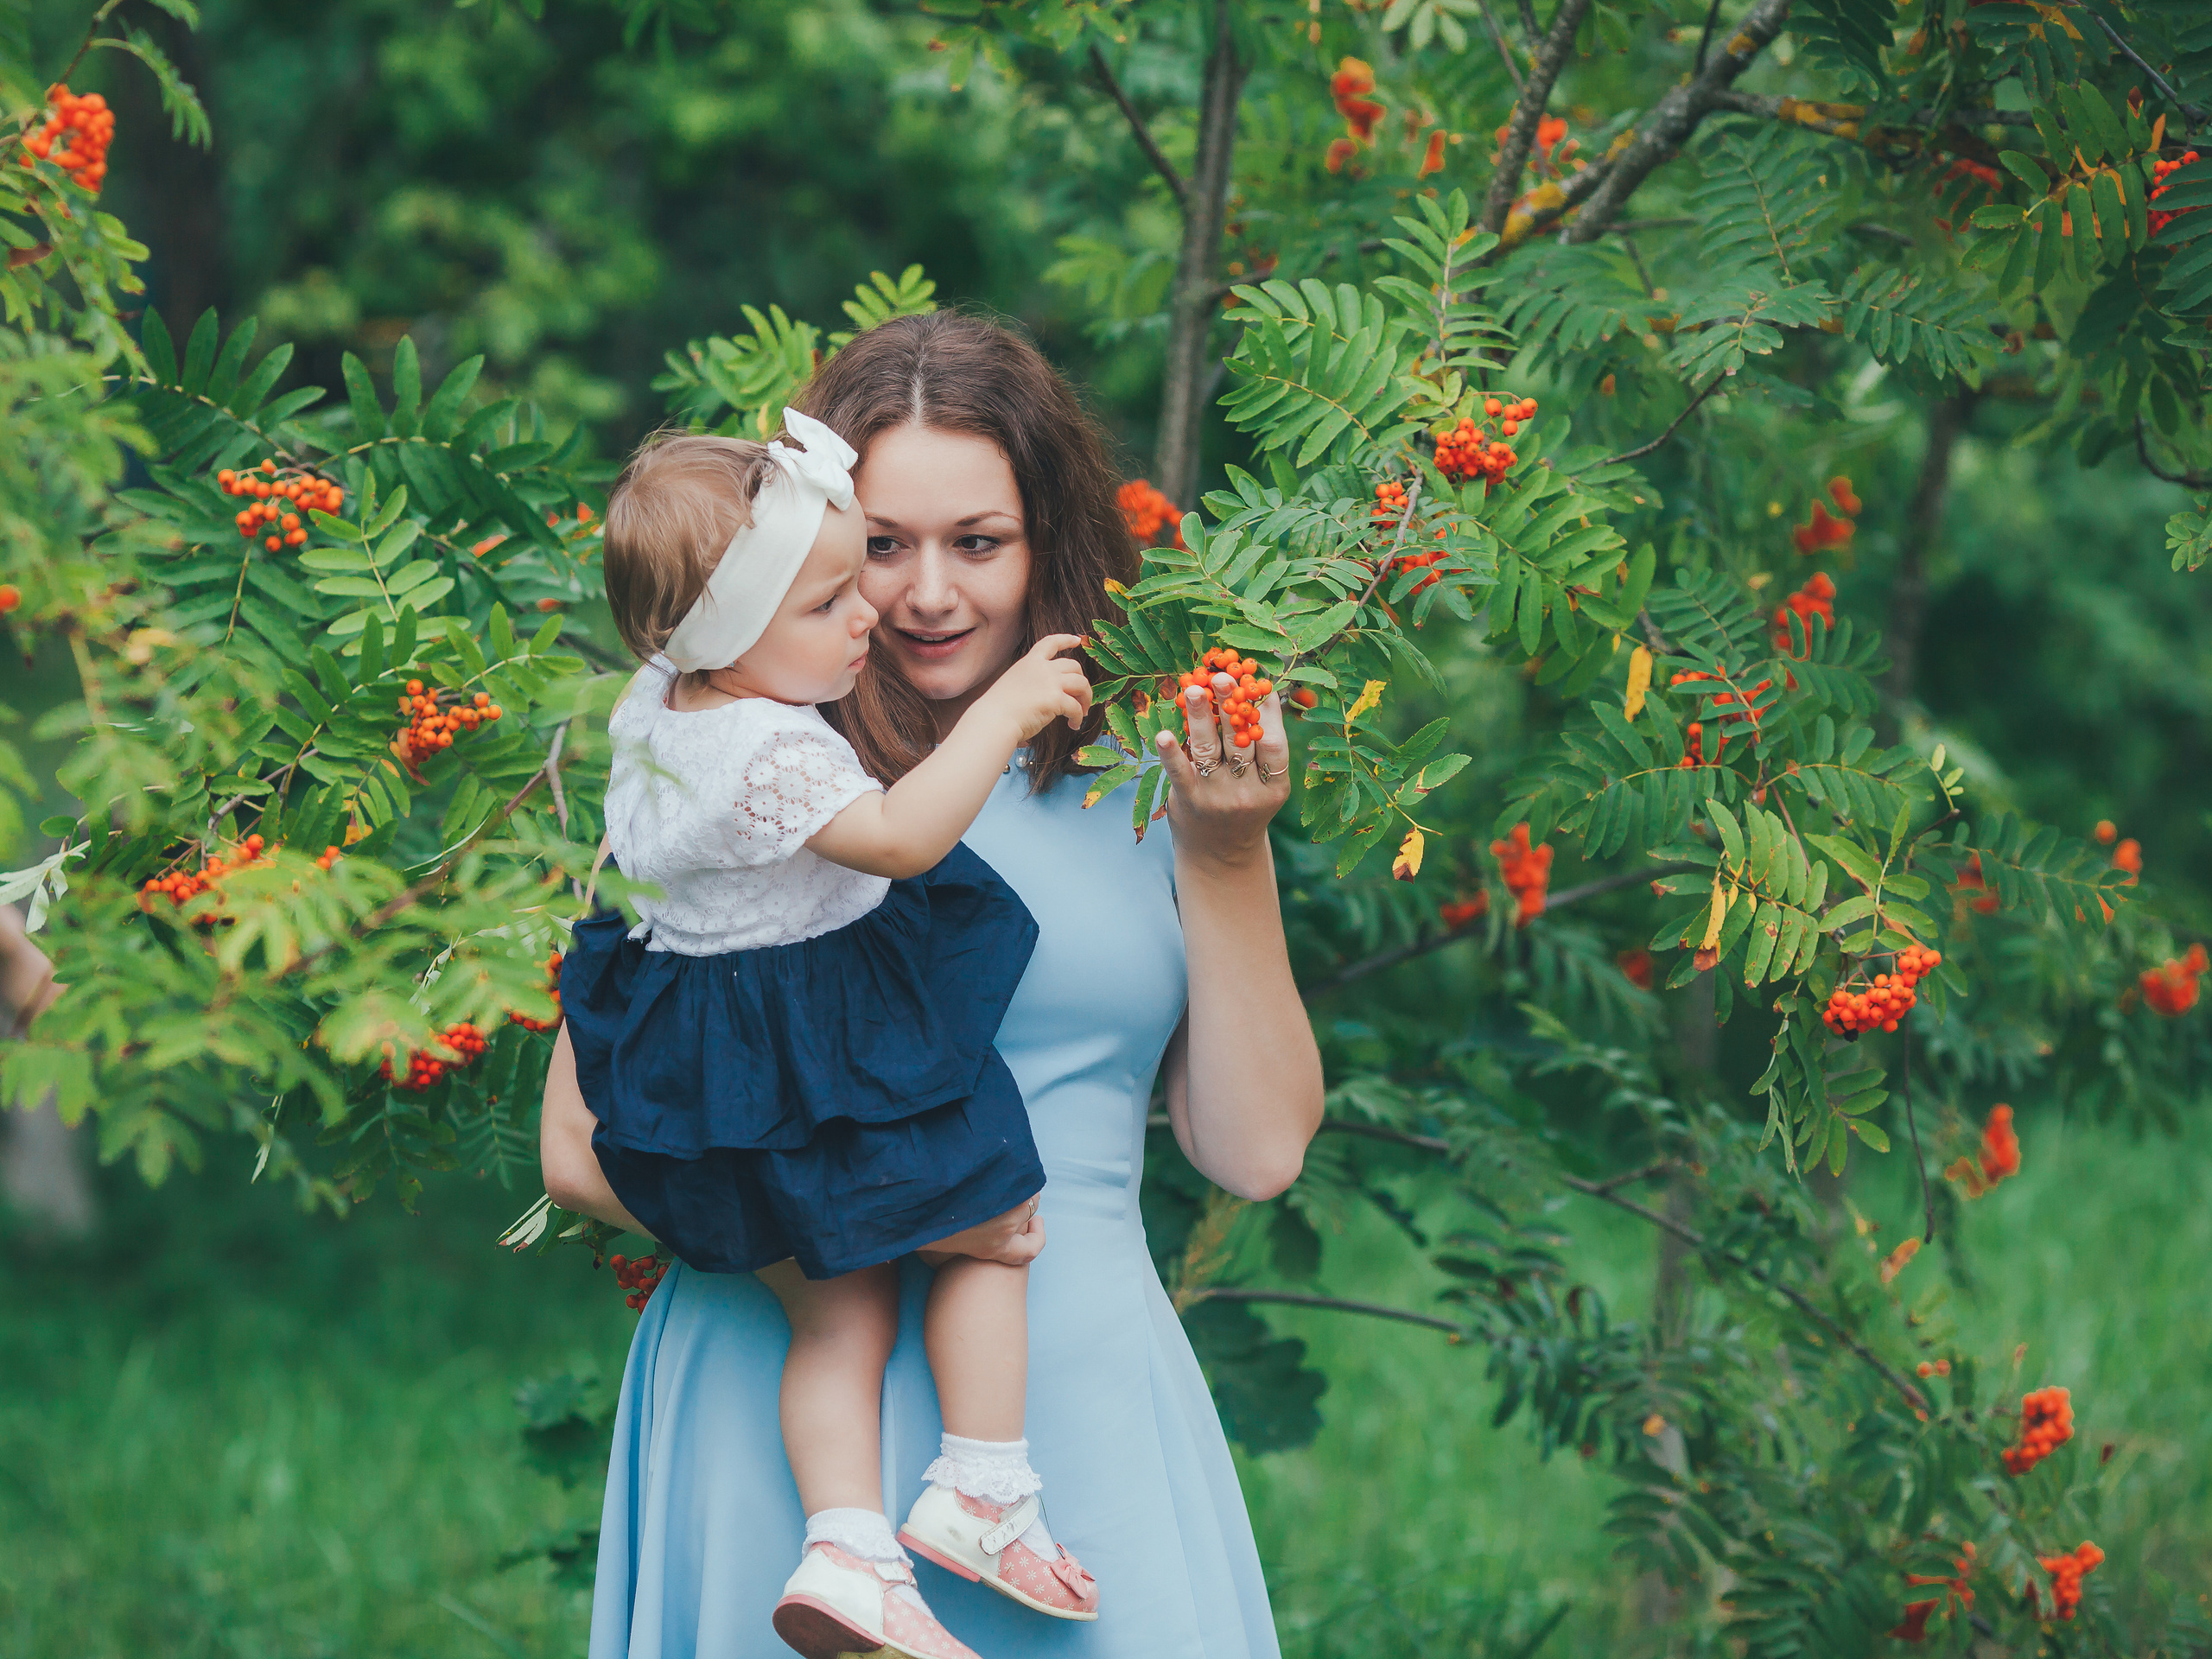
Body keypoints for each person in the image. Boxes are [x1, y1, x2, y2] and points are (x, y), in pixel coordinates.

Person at [542, 311, 1323, 1659]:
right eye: (883, 547)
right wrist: (885, 1214)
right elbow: (579, 1150)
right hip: (779, 1402)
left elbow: (1254, 1153)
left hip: (1061, 1409)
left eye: (979, 543)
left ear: (1049, 544)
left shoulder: (1150, 783)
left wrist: (1230, 846)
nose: (923, 595)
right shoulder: (724, 774)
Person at [567, 408, 1105, 1659]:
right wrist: (1005, 712)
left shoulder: (668, 695)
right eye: (821, 604)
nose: (865, 612)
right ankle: (981, 1488)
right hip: (813, 1030)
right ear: (724, 637)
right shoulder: (760, 748)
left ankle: (849, 1550)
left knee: (836, 1319)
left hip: (711, 1047)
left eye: (846, 572)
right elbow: (904, 842)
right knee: (993, 1221)